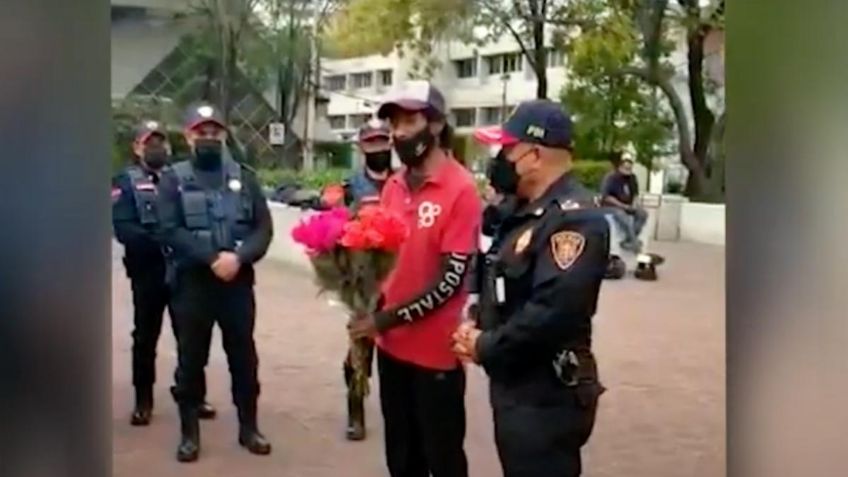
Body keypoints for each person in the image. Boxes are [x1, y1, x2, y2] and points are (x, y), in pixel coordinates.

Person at [452, 99, 609, 477]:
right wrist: (475, 319)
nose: (499, 158)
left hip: (546, 395)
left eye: (506, 149)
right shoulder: (522, 212)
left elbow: (554, 310)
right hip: (516, 384)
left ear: (533, 155)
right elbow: (495, 272)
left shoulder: (575, 221)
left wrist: (486, 345)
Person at [348, 80, 482, 477]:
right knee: (401, 459)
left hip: (434, 355)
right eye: (394, 123)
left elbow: (448, 283)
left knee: (441, 460)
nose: (399, 132)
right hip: (392, 351)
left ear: (436, 124)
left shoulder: (461, 190)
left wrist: (382, 320)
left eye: (409, 120)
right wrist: (365, 304)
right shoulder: (392, 185)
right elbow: (383, 261)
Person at [157, 103, 273, 462]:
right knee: (191, 360)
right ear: (189, 136)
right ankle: (189, 433)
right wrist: (211, 259)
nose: (208, 138)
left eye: (214, 132)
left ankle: (249, 428)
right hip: (193, 284)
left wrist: (238, 258)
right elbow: (169, 228)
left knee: (243, 357)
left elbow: (263, 228)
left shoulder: (244, 176)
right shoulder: (173, 179)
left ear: (223, 135)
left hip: (236, 283)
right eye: (201, 132)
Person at [111, 120, 216, 426]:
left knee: (192, 335)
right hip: (148, 271)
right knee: (146, 336)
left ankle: (193, 395)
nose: (156, 148)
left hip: (184, 269)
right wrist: (166, 239)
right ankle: (143, 401)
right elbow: (124, 228)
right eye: (149, 142)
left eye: (161, 142)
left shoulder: (184, 178)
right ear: (137, 148)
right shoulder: (124, 182)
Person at [341, 118, 395, 441]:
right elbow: (339, 229)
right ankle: (355, 411)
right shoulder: (351, 188)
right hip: (365, 280)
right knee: (361, 349)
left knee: (397, 349)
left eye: (383, 142)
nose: (379, 148)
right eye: (372, 143)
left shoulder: (406, 182)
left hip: (400, 277)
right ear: (362, 148)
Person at [600, 154, 648, 252]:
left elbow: (635, 194)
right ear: (620, 167)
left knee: (643, 214)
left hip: (628, 205)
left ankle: (629, 240)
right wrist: (623, 206)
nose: (628, 171)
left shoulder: (632, 178)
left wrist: (635, 204)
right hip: (612, 206)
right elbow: (606, 197)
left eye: (630, 168)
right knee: (622, 217)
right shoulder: (611, 178)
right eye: (626, 168)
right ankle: (635, 243)